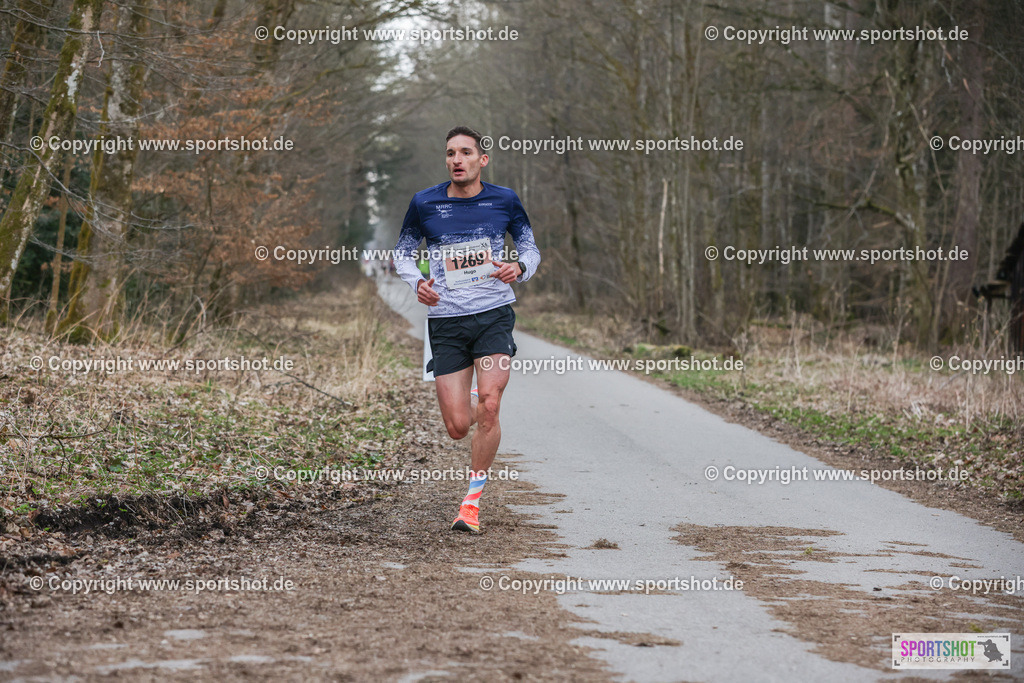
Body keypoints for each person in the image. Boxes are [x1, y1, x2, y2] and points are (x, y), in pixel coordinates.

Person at [393, 126, 540, 533]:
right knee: (458, 427)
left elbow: (530, 248)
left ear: (482, 160)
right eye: (450, 153)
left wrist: (520, 267)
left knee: (491, 406)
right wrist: (416, 282)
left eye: (465, 152)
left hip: (493, 314)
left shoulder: (504, 200)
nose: (456, 160)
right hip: (446, 321)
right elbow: (402, 254)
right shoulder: (425, 202)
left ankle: (470, 506)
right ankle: (473, 397)